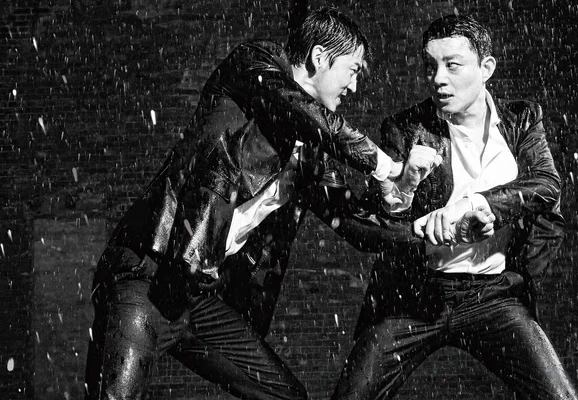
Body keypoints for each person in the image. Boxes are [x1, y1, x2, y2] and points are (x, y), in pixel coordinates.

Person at [83, 7, 442, 400]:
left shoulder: (311, 154)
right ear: (320, 57)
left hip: (197, 295)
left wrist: (421, 225)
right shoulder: (253, 65)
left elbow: (354, 224)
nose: (354, 87)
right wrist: (386, 165)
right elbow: (301, 111)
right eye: (352, 70)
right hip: (148, 273)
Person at [330, 14, 578, 400]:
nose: (438, 79)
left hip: (492, 296)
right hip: (413, 297)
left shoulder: (522, 120)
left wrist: (476, 205)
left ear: (486, 68)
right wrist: (406, 187)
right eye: (430, 66)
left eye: (452, 65)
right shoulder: (406, 128)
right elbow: (377, 222)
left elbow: (545, 185)